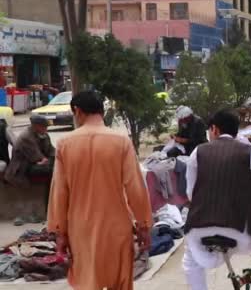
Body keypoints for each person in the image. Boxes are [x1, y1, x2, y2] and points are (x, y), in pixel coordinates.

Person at [46, 91, 152, 290]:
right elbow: (136, 188)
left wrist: (60, 232)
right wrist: (143, 225)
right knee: (120, 282)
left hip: (81, 229)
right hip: (116, 227)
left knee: (88, 282)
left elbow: (59, 192)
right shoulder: (121, 142)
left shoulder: (65, 144)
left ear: (77, 111)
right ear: (101, 112)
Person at [182, 109, 251, 290]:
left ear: (214, 130)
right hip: (241, 229)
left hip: (200, 228)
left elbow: (190, 193)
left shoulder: (198, 153)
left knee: (190, 261)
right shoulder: (250, 152)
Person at [4, 115, 55, 225]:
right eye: (44, 126)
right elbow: (39, 157)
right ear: (36, 126)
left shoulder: (43, 135)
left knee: (55, 168)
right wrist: (46, 160)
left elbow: (51, 151)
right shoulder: (26, 137)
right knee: (50, 171)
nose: (46, 129)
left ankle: (49, 208)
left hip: (34, 165)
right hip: (21, 169)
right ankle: (47, 209)